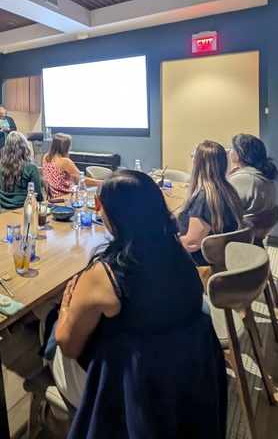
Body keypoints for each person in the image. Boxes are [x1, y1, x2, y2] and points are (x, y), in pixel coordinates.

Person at [51, 170, 227, 437]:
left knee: (51, 332)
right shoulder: (180, 256)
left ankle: (57, 416)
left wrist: (65, 305)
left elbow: (69, 345)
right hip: (188, 384)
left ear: (110, 213)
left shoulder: (104, 274)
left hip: (127, 392)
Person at [177, 140, 245, 267]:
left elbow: (191, 244)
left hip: (200, 265)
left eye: (193, 156)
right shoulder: (229, 191)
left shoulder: (204, 199)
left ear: (199, 164)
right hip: (224, 259)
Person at [228, 133, 278, 216]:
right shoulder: (263, 175)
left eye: (231, 148)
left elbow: (224, 208)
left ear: (238, 155)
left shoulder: (242, 178)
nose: (229, 152)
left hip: (241, 224)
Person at [42, 133, 101, 200]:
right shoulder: (64, 161)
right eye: (69, 146)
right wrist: (103, 183)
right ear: (64, 147)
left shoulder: (46, 157)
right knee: (96, 192)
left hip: (53, 196)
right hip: (66, 197)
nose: (70, 148)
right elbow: (82, 180)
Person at [0, 132, 43, 210]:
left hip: (3, 211)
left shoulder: (0, 167)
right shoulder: (31, 168)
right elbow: (37, 195)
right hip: (25, 211)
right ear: (25, 147)